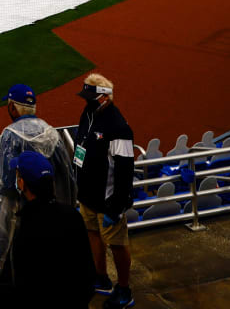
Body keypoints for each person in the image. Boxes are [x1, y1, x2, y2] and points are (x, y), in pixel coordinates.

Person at [0, 151, 96, 308]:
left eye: (18, 176)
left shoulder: (26, 227)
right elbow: (87, 276)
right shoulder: (73, 216)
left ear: (22, 184)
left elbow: (28, 291)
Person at [0, 84, 77, 271]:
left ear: (13, 107)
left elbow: (7, 184)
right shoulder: (52, 133)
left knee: (18, 263)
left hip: (20, 215)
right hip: (50, 212)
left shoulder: (9, 135)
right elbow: (68, 177)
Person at [74, 73, 136, 308]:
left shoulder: (118, 126)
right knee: (92, 233)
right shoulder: (88, 114)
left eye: (91, 97)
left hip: (108, 198)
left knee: (117, 243)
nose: (86, 101)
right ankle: (100, 276)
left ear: (104, 98)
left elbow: (124, 167)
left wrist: (118, 204)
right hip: (87, 193)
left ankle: (124, 288)